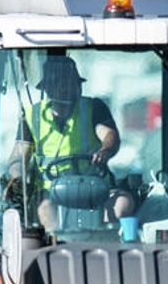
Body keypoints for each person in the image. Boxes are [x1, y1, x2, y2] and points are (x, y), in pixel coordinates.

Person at [12, 55, 133, 232]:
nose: (67, 89)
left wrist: (105, 151)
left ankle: (106, 241)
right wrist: (15, 177)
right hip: (50, 192)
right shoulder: (32, 116)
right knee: (44, 210)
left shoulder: (93, 108)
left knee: (122, 203)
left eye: (71, 83)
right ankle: (54, 249)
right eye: (60, 84)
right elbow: (18, 157)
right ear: (48, 89)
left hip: (96, 187)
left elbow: (109, 135)